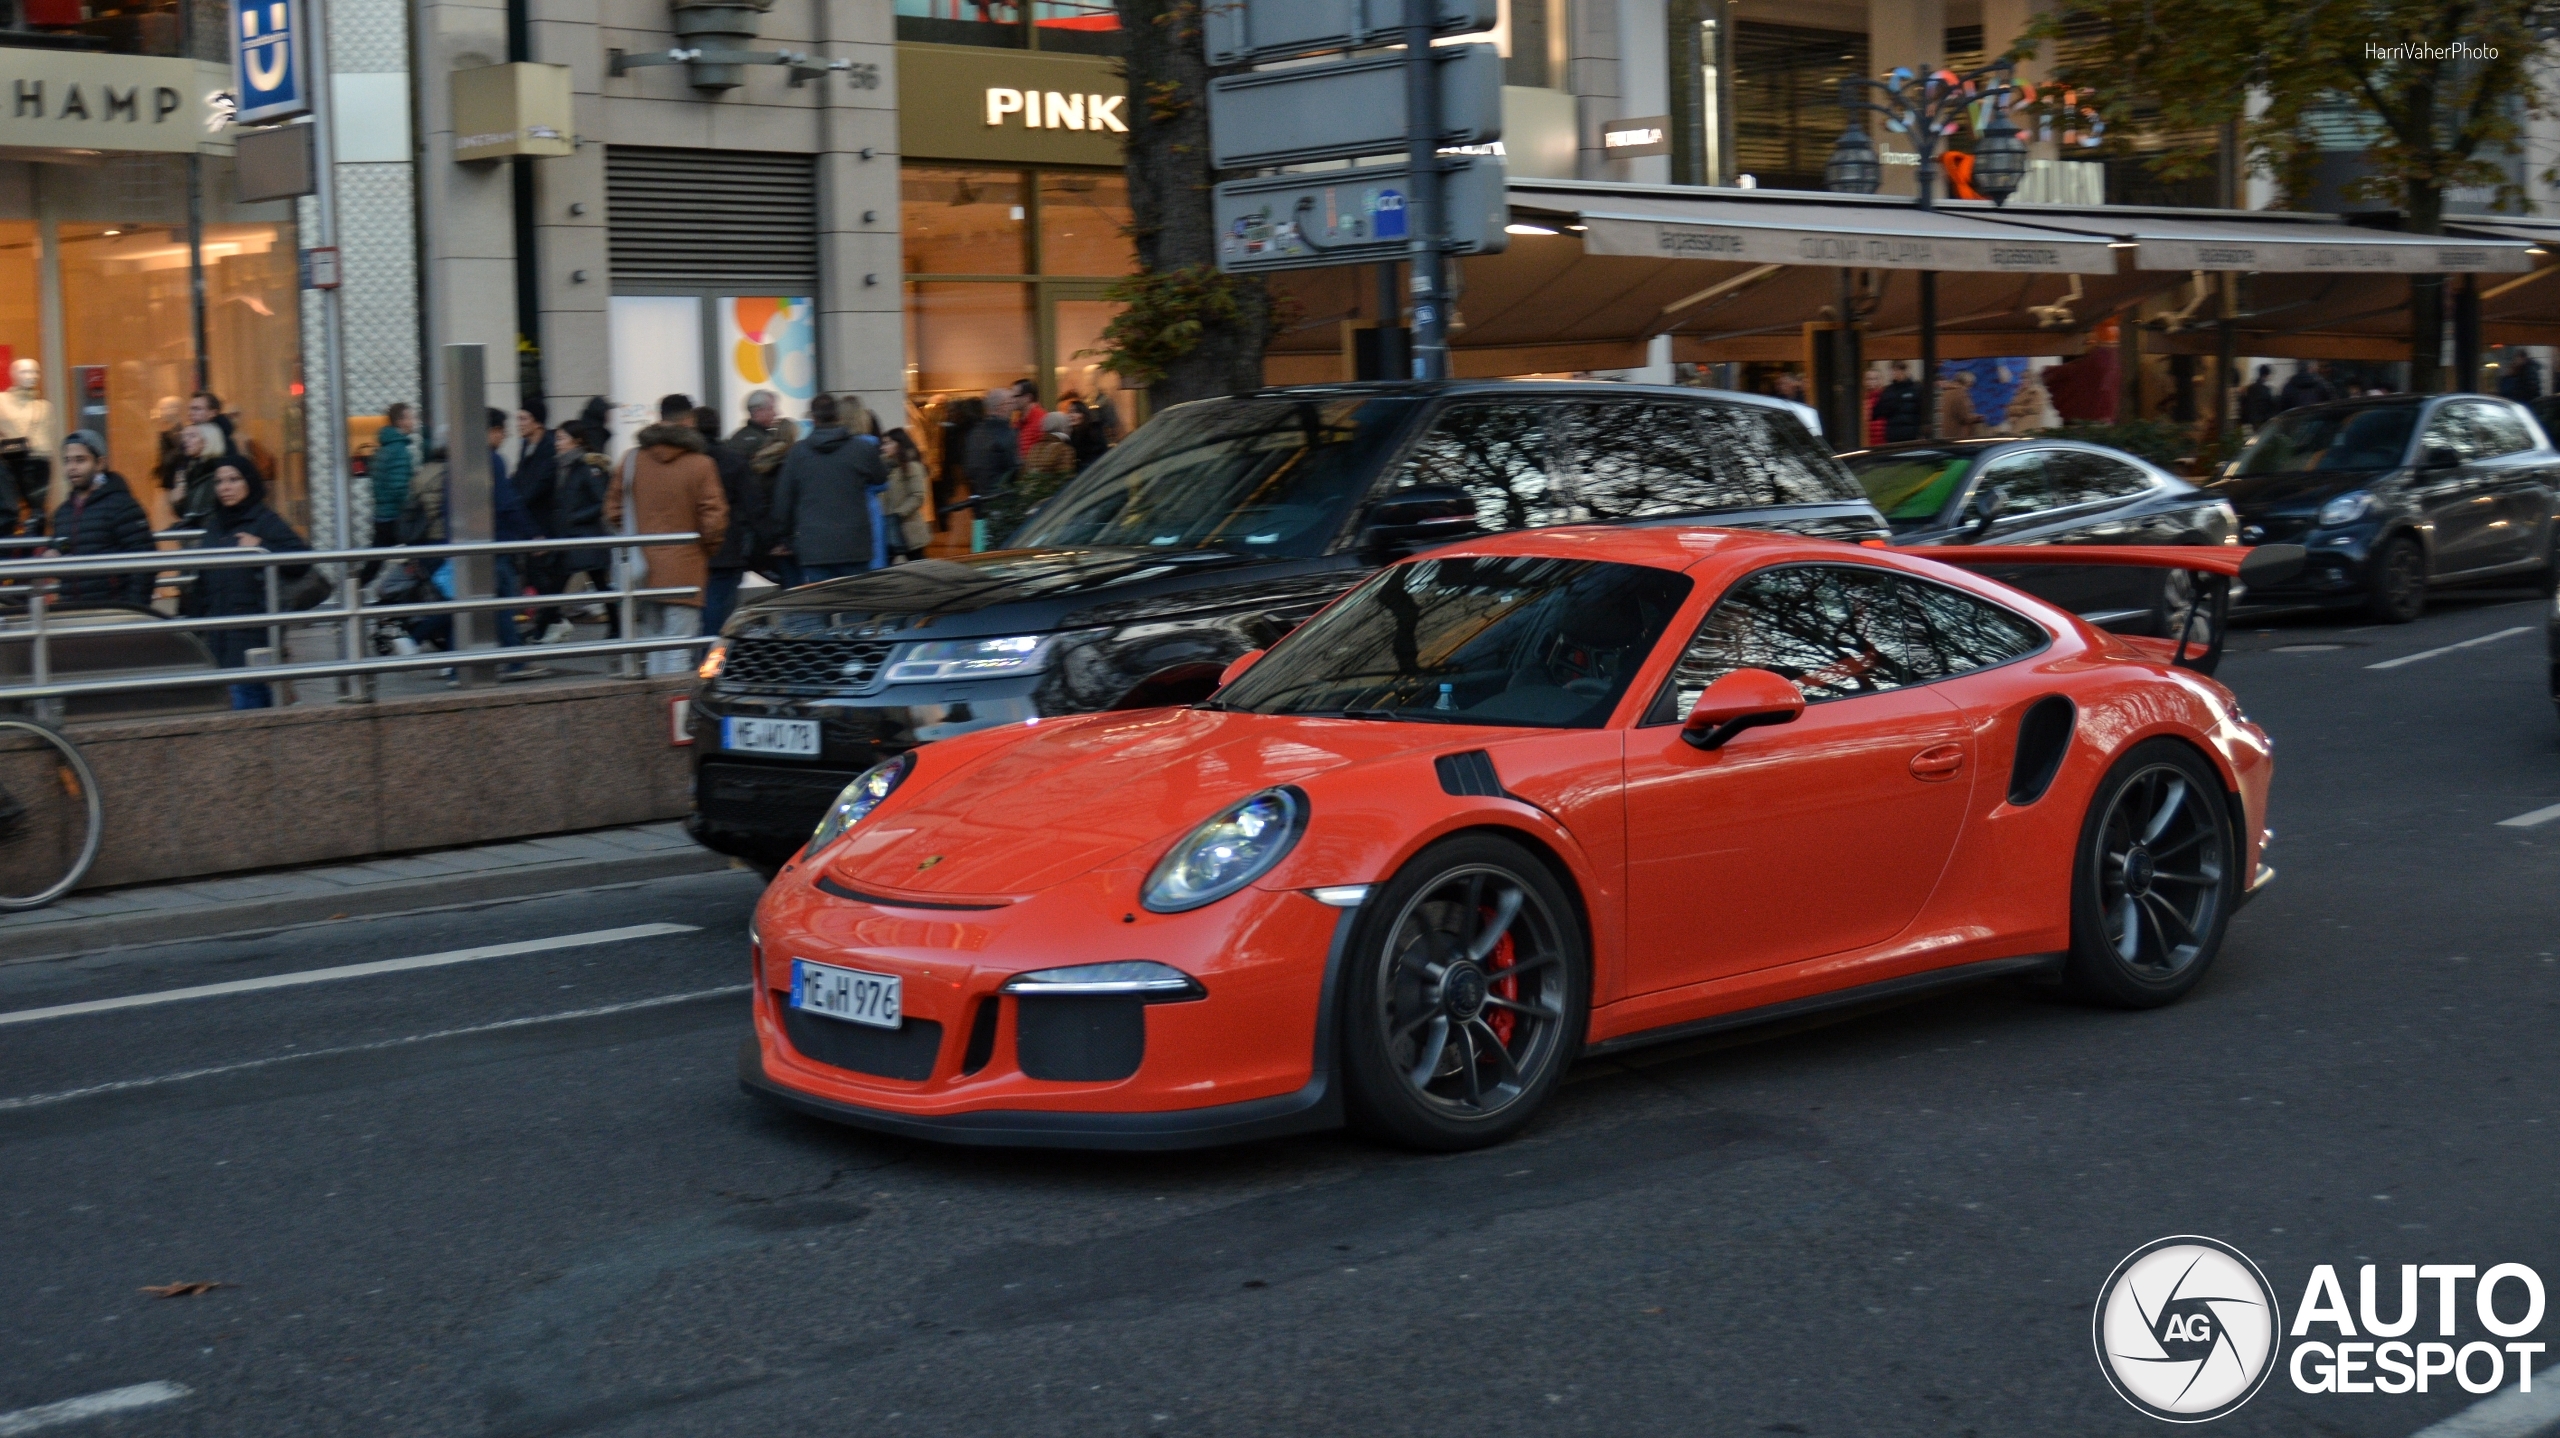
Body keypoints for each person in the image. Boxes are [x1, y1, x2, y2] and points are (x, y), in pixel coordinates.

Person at [605, 393, 728, 672]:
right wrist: (705, 549)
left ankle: (654, 709)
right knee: (680, 648)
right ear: (689, 420)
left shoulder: (632, 459)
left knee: (652, 642)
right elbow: (714, 518)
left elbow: (613, 510)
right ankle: (672, 710)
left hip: (643, 569)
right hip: (685, 569)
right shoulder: (701, 464)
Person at [185, 456, 308, 709]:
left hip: (252, 632)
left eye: (233, 480)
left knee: (247, 703)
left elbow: (302, 559)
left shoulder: (263, 520)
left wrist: (260, 546)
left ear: (249, 482)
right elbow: (203, 580)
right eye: (219, 482)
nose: (224, 488)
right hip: (218, 632)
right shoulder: (215, 525)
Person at [770, 393, 880, 583]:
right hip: (854, 543)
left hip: (813, 546)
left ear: (813, 418)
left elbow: (783, 500)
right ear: (839, 416)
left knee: (817, 606)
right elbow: (880, 477)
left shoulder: (798, 453)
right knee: (855, 606)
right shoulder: (861, 449)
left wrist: (786, 538)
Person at [39, 431, 155, 609]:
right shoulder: (63, 512)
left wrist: (134, 610)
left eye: (80, 460)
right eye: (67, 461)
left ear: (100, 463)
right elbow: (65, 546)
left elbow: (145, 563)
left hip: (112, 611)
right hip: (72, 611)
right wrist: (54, 552)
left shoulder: (122, 505)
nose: (72, 467)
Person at [694, 403, 764, 637]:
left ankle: (701, 656)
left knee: (699, 608)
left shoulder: (688, 463)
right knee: (722, 610)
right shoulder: (733, 460)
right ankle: (716, 661)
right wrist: (770, 539)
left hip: (692, 546)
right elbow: (753, 505)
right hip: (728, 546)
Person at [361, 402, 418, 583]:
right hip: (395, 517)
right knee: (419, 556)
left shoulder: (383, 449)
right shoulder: (399, 450)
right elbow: (400, 488)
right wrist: (412, 508)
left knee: (376, 562)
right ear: (400, 421)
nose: (414, 421)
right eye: (410, 417)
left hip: (383, 515)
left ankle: (355, 588)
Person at [958, 390, 1021, 549]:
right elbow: (1015, 468)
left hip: (980, 502)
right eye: (1009, 403)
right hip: (1002, 502)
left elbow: (968, 469)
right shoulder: (1006, 434)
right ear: (1000, 407)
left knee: (983, 549)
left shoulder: (975, 433)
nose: (1013, 407)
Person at [747, 417, 799, 584]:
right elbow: (789, 504)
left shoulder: (760, 460)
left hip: (765, 538)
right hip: (788, 539)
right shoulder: (792, 462)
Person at [880, 427, 932, 563]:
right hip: (890, 528)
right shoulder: (885, 467)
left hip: (909, 529)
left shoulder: (911, 467)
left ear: (899, 443)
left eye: (888, 443)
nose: (884, 447)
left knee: (918, 564)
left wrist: (898, 513)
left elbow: (918, 495)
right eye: (884, 443)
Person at [172, 421, 231, 525]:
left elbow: (201, 514)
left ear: (207, 441)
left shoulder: (219, 472)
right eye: (184, 436)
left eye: (192, 436)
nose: (186, 440)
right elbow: (188, 512)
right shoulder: (192, 470)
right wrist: (178, 501)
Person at [1870, 363, 1925, 442]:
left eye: (1900, 370)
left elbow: (1922, 410)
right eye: (1894, 370)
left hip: (1911, 434)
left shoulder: (1916, 389)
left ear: (1906, 371)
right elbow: (1878, 412)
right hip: (1893, 435)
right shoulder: (1888, 390)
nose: (1897, 373)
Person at [729, 389, 781, 454]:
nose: (775, 414)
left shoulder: (736, 437)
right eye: (771, 409)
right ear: (758, 411)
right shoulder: (765, 442)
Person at [1936, 370, 1983, 440]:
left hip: (1947, 432)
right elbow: (1964, 417)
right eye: (1970, 384)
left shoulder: (1947, 391)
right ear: (1966, 382)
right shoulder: (1960, 393)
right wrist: (1978, 418)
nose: (1970, 387)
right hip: (1958, 434)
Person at [1009, 378, 1046, 461]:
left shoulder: (1042, 421)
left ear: (1028, 397)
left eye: (1015, 396)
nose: (1011, 401)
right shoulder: (1018, 421)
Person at [2237, 365, 2277, 430]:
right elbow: (2269, 406)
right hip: (2261, 421)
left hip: (2249, 421)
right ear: (2267, 375)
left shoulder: (2250, 388)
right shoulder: (2267, 390)